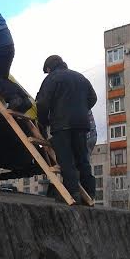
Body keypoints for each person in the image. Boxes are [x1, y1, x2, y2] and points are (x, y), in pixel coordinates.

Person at [35, 55, 97, 204]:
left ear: (49, 68)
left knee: (66, 160)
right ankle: (89, 194)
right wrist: (80, 110)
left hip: (62, 125)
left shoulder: (52, 78)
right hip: (81, 124)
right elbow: (93, 98)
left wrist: (43, 121)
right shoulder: (80, 77)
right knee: (82, 159)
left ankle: (72, 193)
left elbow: (42, 103)